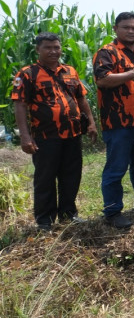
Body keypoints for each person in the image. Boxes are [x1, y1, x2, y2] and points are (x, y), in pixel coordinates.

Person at [12, 32, 98, 230]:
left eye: (56, 47)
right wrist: (25, 137)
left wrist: (91, 123)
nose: (53, 51)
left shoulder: (69, 71)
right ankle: (44, 220)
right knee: (46, 178)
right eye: (47, 48)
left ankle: (69, 214)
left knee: (71, 175)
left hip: (73, 134)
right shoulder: (27, 74)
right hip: (45, 136)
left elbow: (81, 98)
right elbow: (20, 105)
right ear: (38, 50)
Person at [93, 11, 134, 229]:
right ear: (116, 29)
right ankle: (112, 210)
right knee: (116, 168)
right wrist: (132, 73)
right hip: (118, 122)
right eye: (126, 27)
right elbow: (102, 80)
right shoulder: (107, 52)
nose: (131, 31)